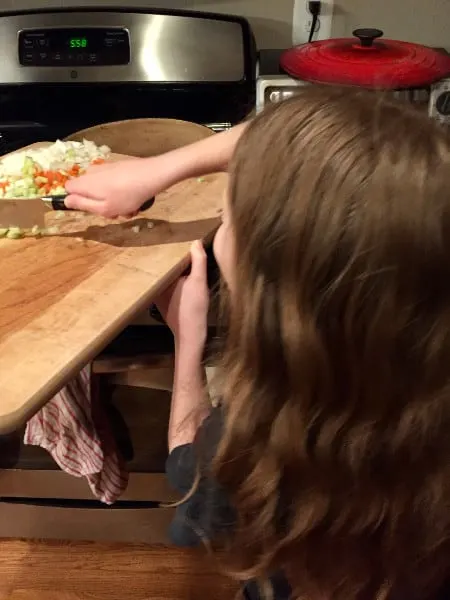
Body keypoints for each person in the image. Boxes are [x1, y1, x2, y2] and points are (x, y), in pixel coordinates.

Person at [70, 86, 450, 600]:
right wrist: (155, 171)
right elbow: (296, 135)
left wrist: (188, 342)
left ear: (270, 285)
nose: (221, 230)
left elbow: (188, 462)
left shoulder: (252, 452)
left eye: (229, 221)